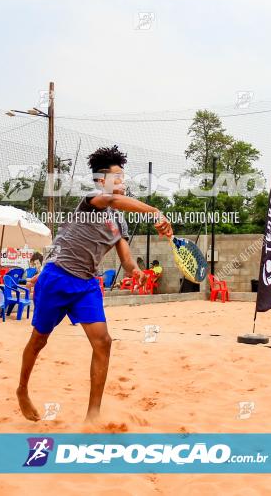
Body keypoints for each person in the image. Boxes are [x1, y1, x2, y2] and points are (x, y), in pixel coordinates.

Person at [16, 145, 172, 422]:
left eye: (124, 178)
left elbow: (125, 257)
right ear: (102, 181)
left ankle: (93, 415)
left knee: (103, 342)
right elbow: (111, 200)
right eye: (117, 177)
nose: (122, 183)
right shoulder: (92, 199)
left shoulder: (118, 222)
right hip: (57, 276)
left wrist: (134, 270)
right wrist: (154, 211)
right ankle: (22, 390)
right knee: (39, 340)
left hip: (86, 285)